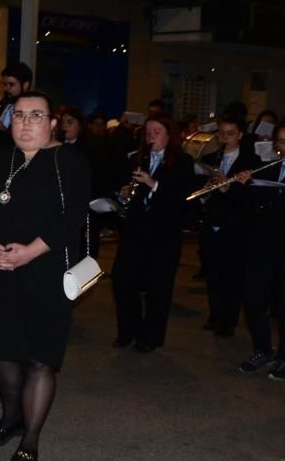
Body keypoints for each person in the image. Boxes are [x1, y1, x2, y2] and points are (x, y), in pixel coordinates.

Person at [0, 91, 89, 461]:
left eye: (36, 116)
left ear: (52, 123)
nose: (26, 123)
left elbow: (71, 220)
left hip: (43, 274)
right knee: (1, 352)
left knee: (38, 359)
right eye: (19, 115)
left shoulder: (68, 162)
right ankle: (11, 416)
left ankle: (30, 439)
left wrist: (28, 253)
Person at [111, 112, 194, 353]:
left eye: (157, 132)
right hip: (136, 231)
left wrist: (153, 184)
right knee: (123, 279)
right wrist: (124, 194)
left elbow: (181, 199)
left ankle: (150, 337)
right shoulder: (137, 159)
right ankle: (128, 331)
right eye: (147, 132)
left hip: (164, 233)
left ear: (169, 135)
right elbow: (126, 191)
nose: (151, 137)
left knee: (159, 287)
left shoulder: (183, 161)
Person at [197, 115, 259, 340]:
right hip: (212, 221)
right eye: (221, 133)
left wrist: (227, 190)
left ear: (240, 135)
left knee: (232, 275)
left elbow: (253, 200)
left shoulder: (251, 161)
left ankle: (228, 320)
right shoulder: (211, 157)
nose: (224, 138)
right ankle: (215, 314)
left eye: (230, 133)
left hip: (237, 225)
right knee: (213, 273)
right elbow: (199, 190)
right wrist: (205, 191)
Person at [240, 123, 285, 377]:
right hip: (264, 245)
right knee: (253, 298)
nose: (283, 147)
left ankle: (284, 357)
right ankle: (263, 349)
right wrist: (245, 184)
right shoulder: (272, 168)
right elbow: (255, 205)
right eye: (280, 141)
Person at [0, 62, 33, 130]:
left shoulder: (32, 110)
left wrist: (3, 129)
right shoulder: (4, 102)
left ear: (25, 85)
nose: (5, 88)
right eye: (4, 84)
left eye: (11, 84)